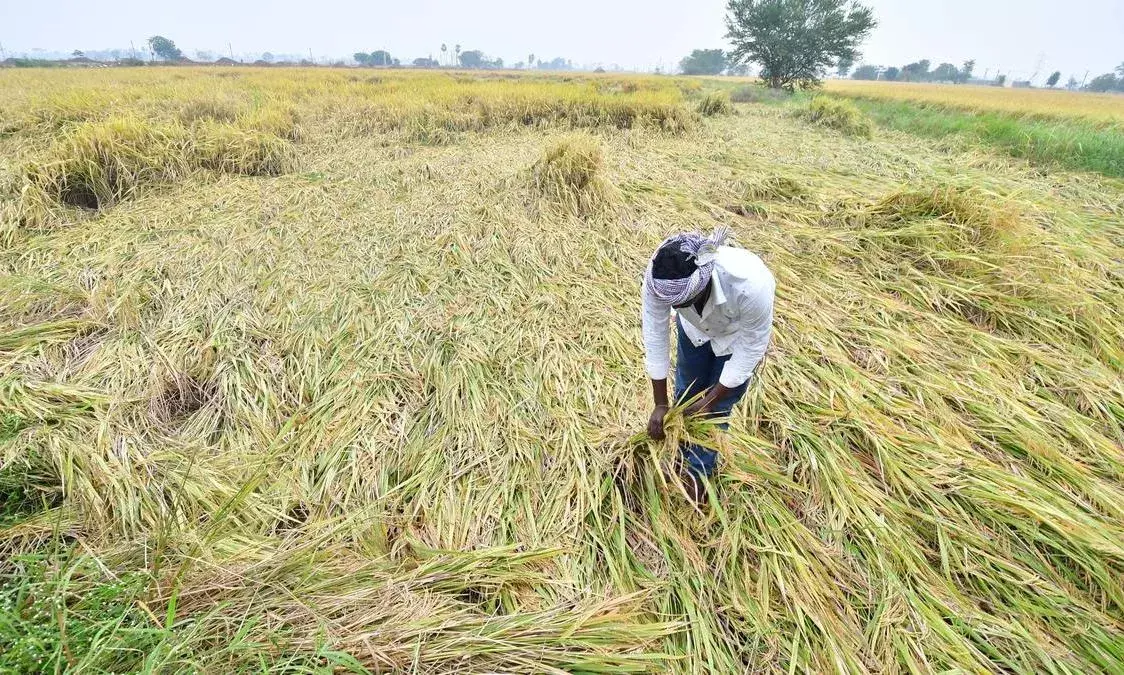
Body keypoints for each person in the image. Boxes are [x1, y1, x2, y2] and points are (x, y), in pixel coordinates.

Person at [641, 227, 775, 503]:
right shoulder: (659, 277)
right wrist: (660, 403)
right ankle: (680, 451)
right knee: (687, 394)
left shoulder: (751, 285)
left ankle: (698, 473)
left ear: (700, 288)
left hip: (734, 338)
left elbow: (751, 348)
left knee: (714, 412)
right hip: (694, 332)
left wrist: (711, 399)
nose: (673, 307)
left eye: (680, 303)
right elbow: (655, 331)